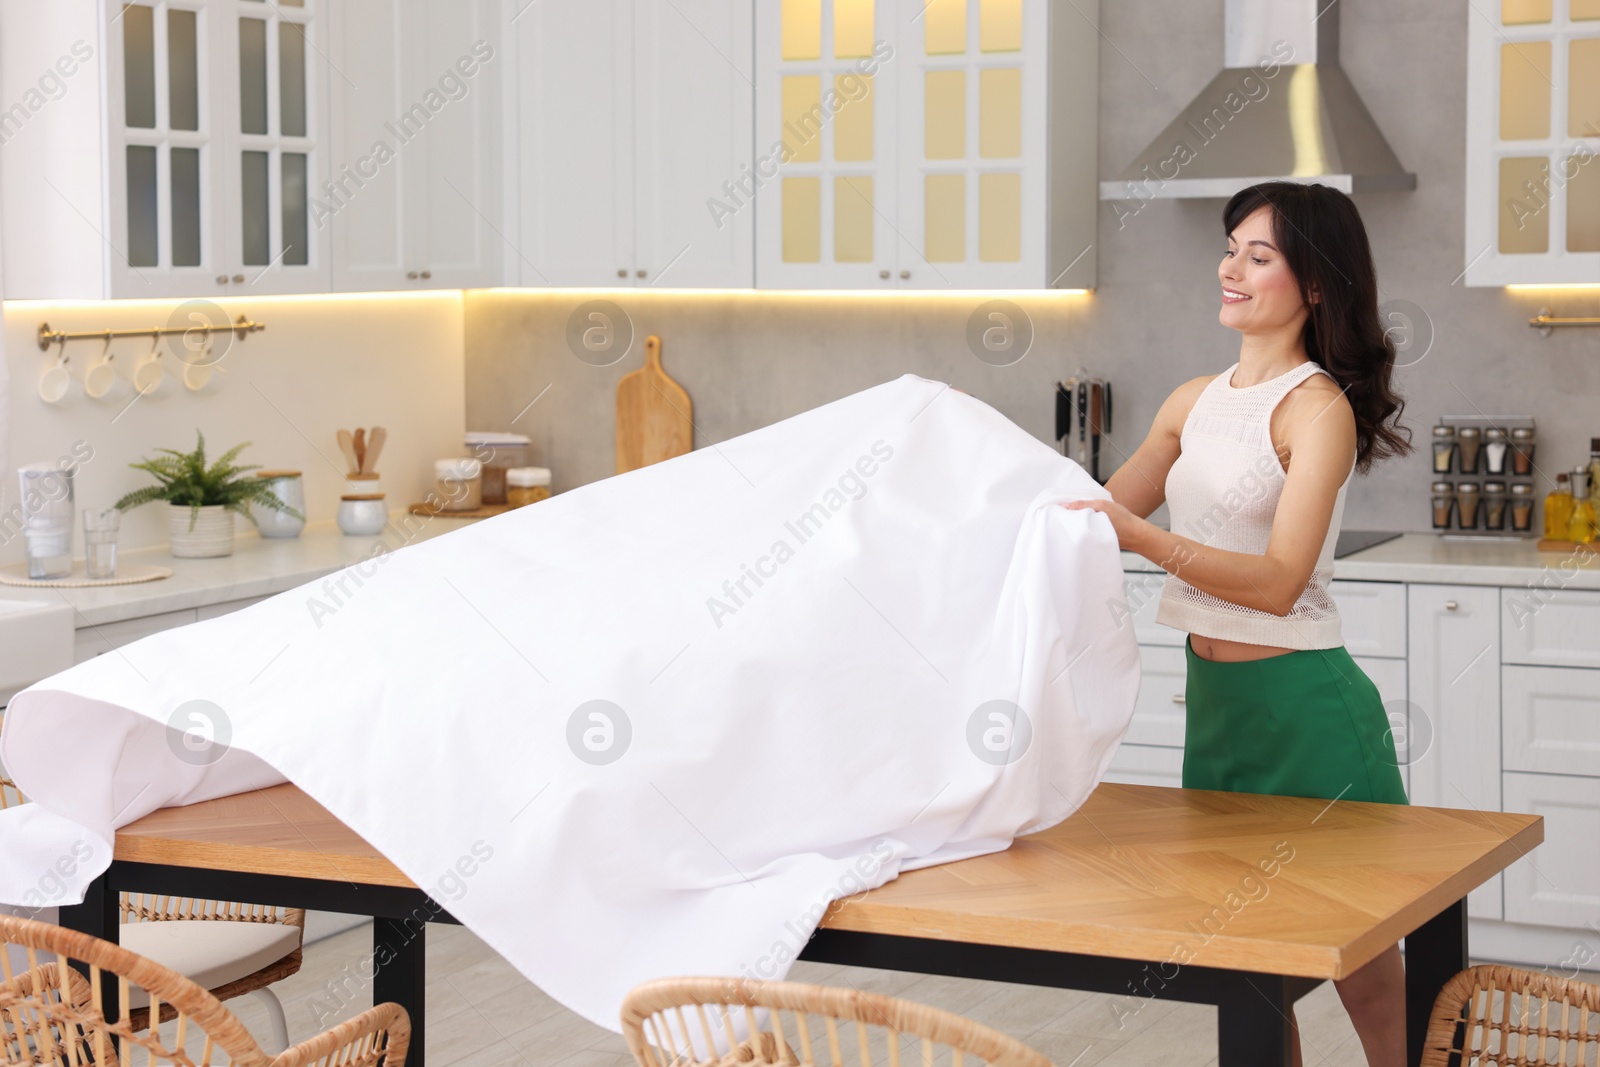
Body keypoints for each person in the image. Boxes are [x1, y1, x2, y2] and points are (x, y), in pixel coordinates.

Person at [1065, 181, 1413, 1067]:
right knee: (1247, 970)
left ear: (1317, 285)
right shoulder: (1189, 400)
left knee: (1365, 970)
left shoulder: (1316, 409)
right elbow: (1096, 516)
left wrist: (1145, 539)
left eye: (1260, 256)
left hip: (1309, 712)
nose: (1231, 268)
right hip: (1219, 707)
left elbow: (1278, 582)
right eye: (1231, 249)